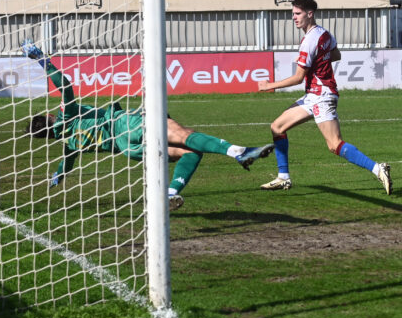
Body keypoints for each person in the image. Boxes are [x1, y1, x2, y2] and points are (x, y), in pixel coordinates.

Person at [21, 39, 275, 211]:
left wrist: (57, 177)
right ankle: (238, 151)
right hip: (124, 125)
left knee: (190, 152)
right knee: (183, 134)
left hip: (129, 150)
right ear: (51, 118)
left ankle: (170, 192)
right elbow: (64, 84)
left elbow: (66, 165)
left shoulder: (68, 144)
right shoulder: (66, 115)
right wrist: (41, 58)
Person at [257, 0, 392, 194]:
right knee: (277, 127)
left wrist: (270, 85)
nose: (294, 18)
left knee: (334, 144)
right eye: (293, 14)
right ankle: (283, 177)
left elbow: (298, 78)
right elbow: (336, 55)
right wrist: (318, 59)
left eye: (297, 14)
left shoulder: (309, 41)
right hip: (314, 95)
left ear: (309, 14)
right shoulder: (324, 33)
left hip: (322, 95)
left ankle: (377, 168)